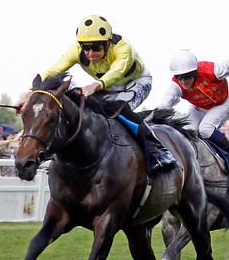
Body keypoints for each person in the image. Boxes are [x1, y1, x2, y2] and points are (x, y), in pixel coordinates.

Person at [22, 14, 175, 174]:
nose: (90, 53)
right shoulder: (76, 51)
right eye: (85, 47)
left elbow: (116, 72)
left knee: (119, 109)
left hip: (136, 81)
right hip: (108, 85)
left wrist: (94, 86)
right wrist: (29, 95)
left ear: (107, 43)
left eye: (96, 47)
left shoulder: (123, 47)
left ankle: (159, 151)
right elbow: (53, 71)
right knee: (87, 109)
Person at [158, 49, 229, 177]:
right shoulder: (176, 86)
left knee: (205, 129)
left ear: (195, 72)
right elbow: (164, 105)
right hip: (199, 107)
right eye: (179, 77)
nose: (183, 81)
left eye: (187, 76)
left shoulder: (213, 70)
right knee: (186, 134)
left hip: (223, 103)